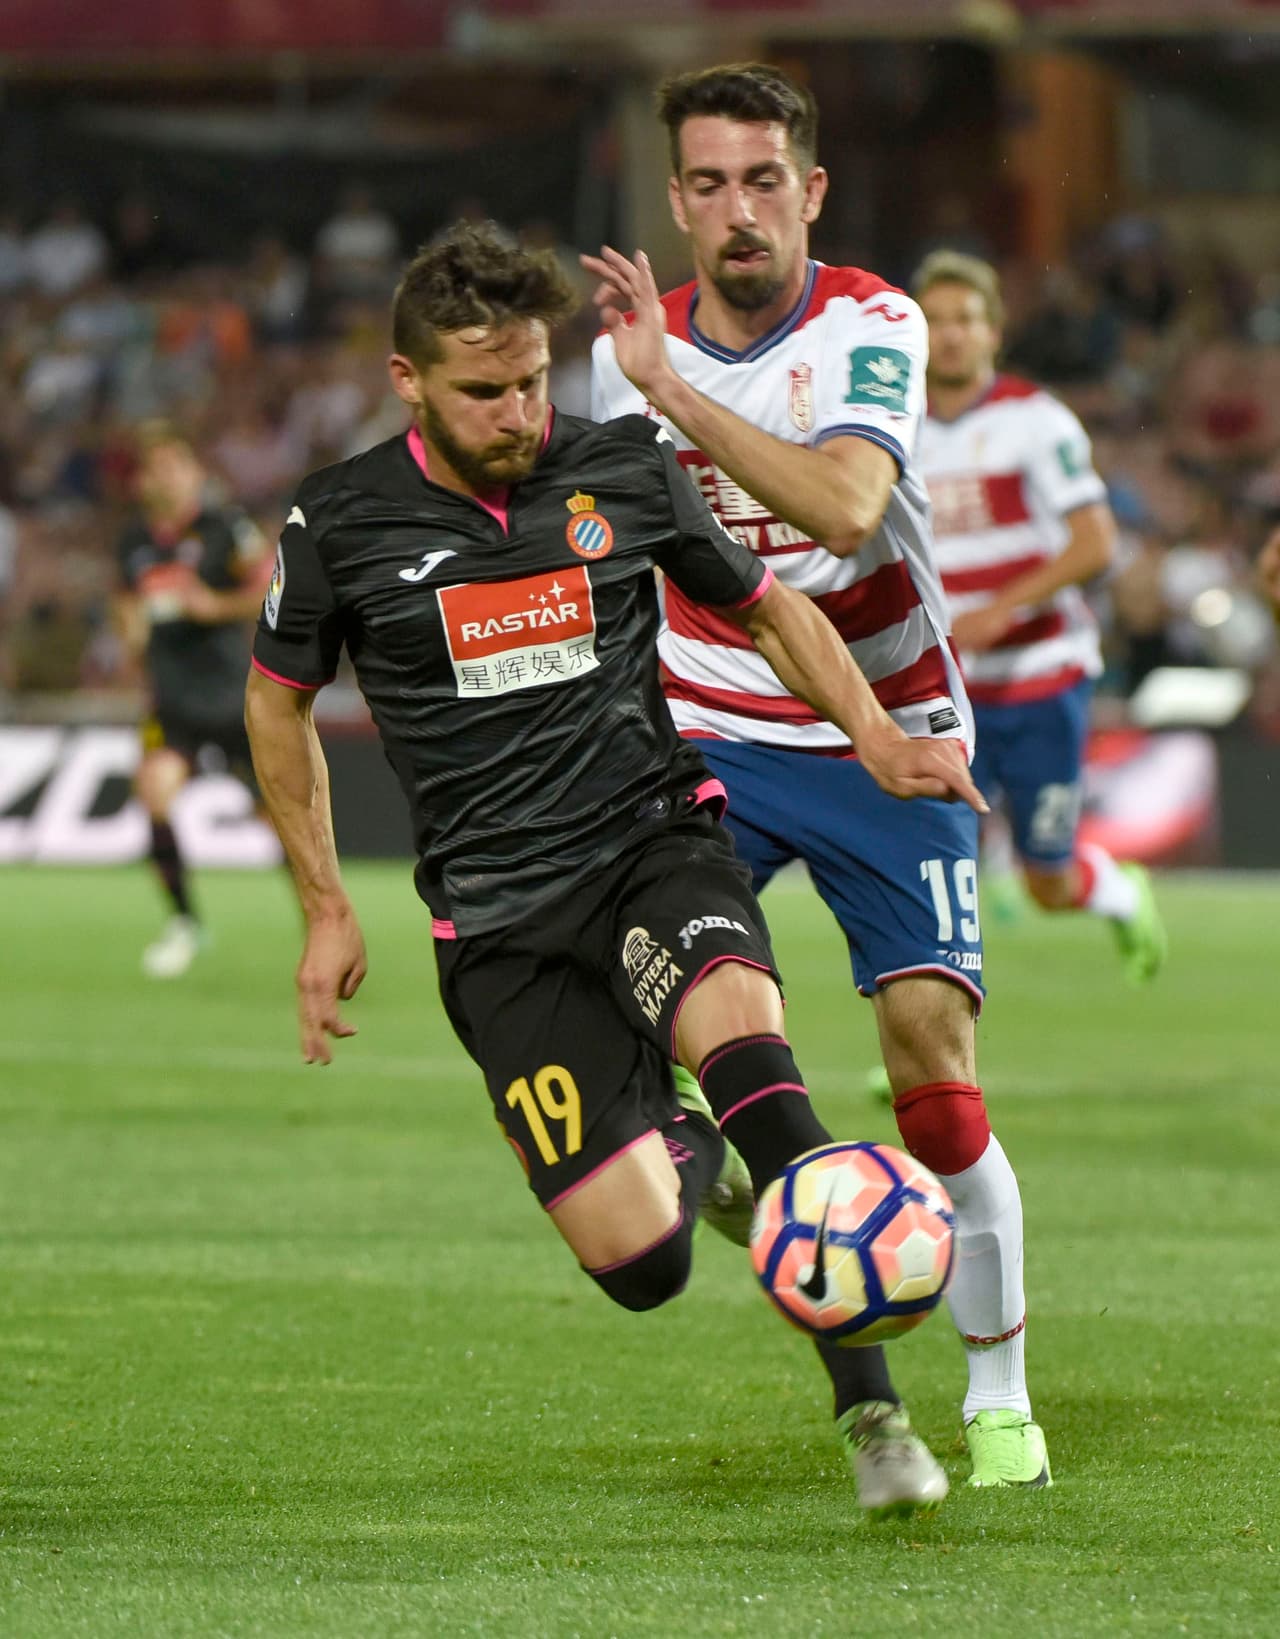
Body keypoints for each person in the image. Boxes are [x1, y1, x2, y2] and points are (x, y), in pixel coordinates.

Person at [244, 223, 983, 1522]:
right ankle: (688, 1146)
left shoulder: (621, 468)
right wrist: (323, 905)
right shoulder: (340, 520)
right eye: (485, 389)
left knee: (762, 1074)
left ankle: (874, 1418)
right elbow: (275, 699)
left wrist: (876, 737)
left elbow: (767, 605)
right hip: (499, 919)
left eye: (534, 379)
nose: (519, 412)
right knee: (640, 1264)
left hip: (653, 843)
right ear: (409, 381)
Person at [587, 62, 1049, 1501]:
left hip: (886, 727)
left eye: (764, 180)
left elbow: (846, 506)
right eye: (708, 184)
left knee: (934, 1082)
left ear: (812, 191)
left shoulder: (871, 322)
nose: (739, 210)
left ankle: (998, 1392)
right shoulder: (620, 356)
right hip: (710, 729)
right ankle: (726, 1162)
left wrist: (672, 394)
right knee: (651, 998)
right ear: (676, 202)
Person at [912, 250, 1167, 978]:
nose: (950, 335)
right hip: (947, 690)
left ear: (994, 332)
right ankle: (936, 1016)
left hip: (1041, 679)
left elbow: (1095, 542)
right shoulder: (892, 430)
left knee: (1046, 881)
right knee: (932, 863)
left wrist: (1002, 608)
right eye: (935, 321)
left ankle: (1119, 891)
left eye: (966, 319)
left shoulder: (1035, 420)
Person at [115, 424, 275, 976]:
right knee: (154, 793)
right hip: (173, 702)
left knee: (279, 817)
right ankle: (185, 923)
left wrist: (217, 606)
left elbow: (271, 588)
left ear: (195, 473)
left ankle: (322, 916)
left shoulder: (226, 527)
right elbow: (125, 604)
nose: (165, 478)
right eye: (154, 469)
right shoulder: (134, 543)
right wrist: (131, 632)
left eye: (174, 466)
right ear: (141, 482)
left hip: (232, 697)